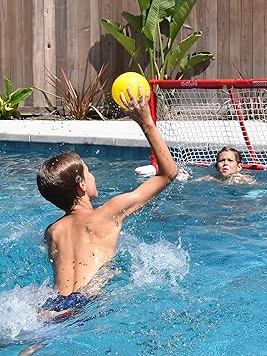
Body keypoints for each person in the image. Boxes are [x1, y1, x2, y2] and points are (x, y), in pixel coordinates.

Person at [36, 86, 177, 317]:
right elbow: (167, 174)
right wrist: (147, 123)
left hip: (51, 305)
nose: (93, 176)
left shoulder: (52, 231)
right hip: (84, 303)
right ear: (82, 185)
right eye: (89, 172)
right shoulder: (108, 213)